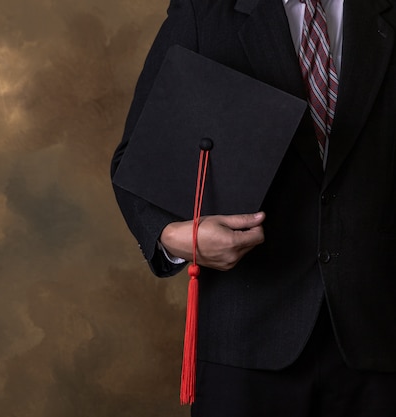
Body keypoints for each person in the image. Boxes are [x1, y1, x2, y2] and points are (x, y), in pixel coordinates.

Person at [110, 0, 396, 416]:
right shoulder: (203, 13)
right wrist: (173, 238)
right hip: (245, 340)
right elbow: (136, 161)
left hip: (378, 340)